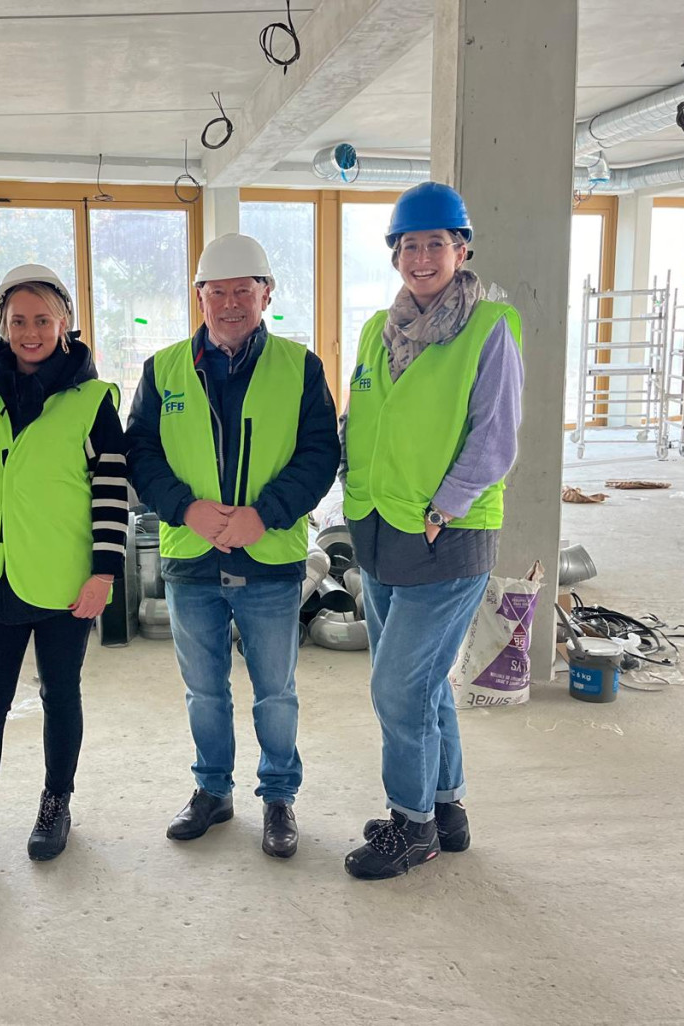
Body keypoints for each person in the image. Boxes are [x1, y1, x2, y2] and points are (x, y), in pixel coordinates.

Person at [126, 233, 339, 859]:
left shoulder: (300, 368)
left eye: (242, 291)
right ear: (199, 296)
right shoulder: (162, 368)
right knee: (204, 689)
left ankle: (278, 797)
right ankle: (212, 790)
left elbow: (321, 453)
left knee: (275, 689)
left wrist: (264, 516)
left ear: (265, 294)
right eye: (215, 292)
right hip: (191, 558)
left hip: (268, 558)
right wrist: (184, 508)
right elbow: (139, 451)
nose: (228, 304)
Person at [340, 181, 524, 881]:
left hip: (446, 536)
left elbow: (496, 437)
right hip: (381, 531)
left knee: (396, 688)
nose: (421, 257)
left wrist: (444, 506)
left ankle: (409, 824)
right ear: (394, 255)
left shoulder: (489, 326)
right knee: (424, 687)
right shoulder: (374, 331)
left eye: (435, 244)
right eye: (409, 245)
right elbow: (364, 422)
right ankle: (446, 810)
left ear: (461, 248)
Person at [0, 264, 127, 894]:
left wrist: (105, 573)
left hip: (66, 584)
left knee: (59, 695)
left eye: (44, 319)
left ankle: (55, 802)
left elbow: (111, 493)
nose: (31, 331)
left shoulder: (93, 402)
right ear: (2, 325)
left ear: (66, 323)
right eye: (19, 320)